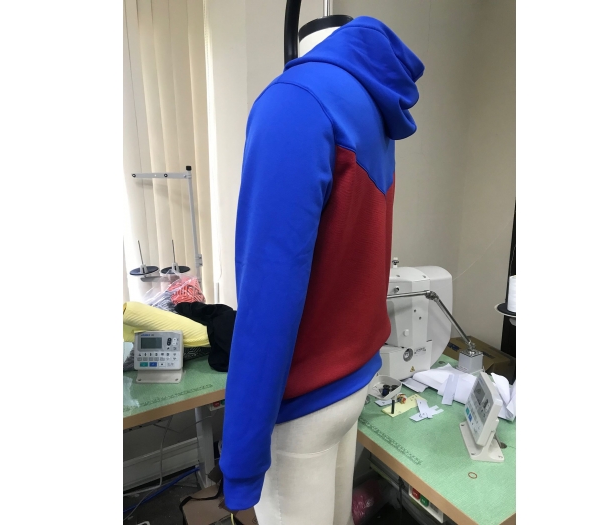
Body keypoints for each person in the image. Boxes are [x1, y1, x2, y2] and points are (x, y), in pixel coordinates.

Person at [221, 16, 424, 525]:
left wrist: (240, 463)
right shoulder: (371, 105)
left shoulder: (294, 102)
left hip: (303, 400)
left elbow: (270, 292)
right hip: (352, 380)